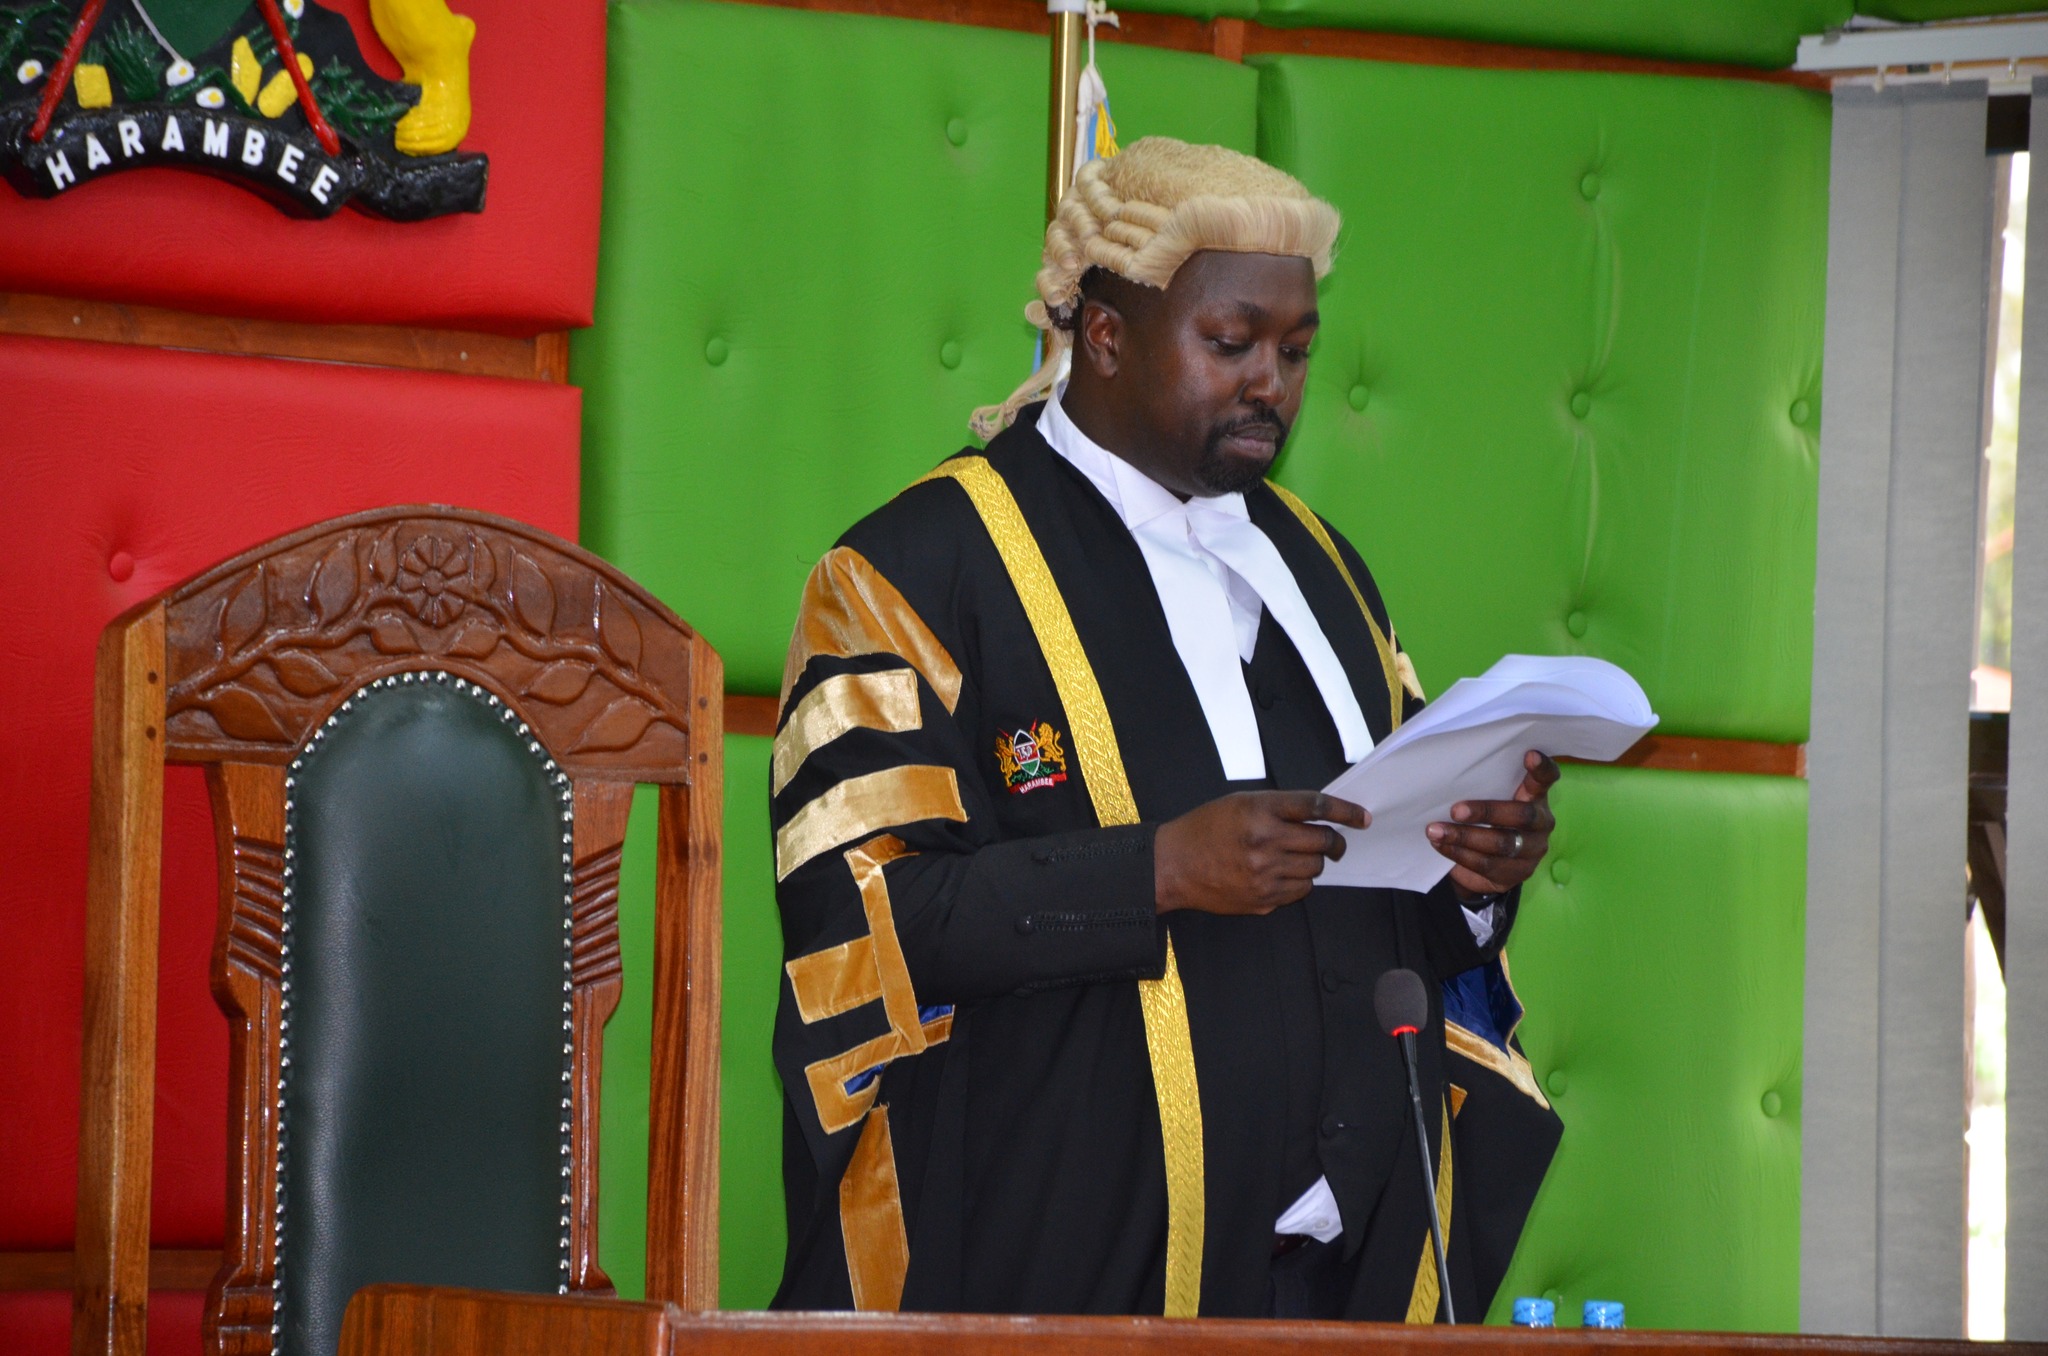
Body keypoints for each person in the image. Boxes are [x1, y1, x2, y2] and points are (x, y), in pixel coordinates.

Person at [769, 137, 1561, 1322]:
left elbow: (1393, 892)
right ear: (1103, 334)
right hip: (1065, 1275)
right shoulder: (910, 570)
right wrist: (1155, 871)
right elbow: (864, 929)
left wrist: (1473, 873)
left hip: (1339, 1276)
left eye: (1294, 352)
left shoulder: (1325, 570)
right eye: (1230, 343)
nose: (1270, 386)